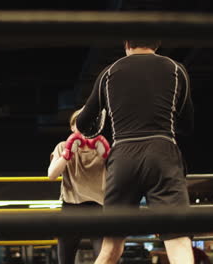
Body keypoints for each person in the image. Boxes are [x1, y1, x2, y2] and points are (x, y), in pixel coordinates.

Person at [76, 39, 194, 264]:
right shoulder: (176, 69)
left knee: (110, 247)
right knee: (178, 241)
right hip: (163, 152)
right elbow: (188, 123)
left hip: (123, 157)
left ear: (127, 44)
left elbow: (83, 124)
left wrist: (105, 116)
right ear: (158, 44)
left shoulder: (108, 73)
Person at [48, 109, 111, 264]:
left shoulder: (101, 146)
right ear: (72, 127)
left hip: (98, 207)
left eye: (88, 122)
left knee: (105, 258)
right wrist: (67, 154)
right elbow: (52, 175)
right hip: (71, 207)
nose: (84, 126)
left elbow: (117, 177)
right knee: (65, 259)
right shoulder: (62, 146)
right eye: (79, 122)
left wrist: (107, 156)